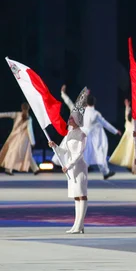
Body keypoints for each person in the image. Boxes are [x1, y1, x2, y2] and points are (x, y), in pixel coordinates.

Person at [48, 91, 88, 234]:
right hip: (71, 168)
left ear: (77, 120)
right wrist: (55, 146)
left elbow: (78, 154)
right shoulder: (70, 133)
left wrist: (68, 166)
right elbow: (64, 150)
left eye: (71, 118)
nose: (69, 119)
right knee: (76, 196)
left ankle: (80, 224)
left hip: (79, 167)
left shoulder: (81, 134)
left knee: (81, 194)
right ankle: (78, 224)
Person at [83, 95, 121, 179]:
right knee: (101, 154)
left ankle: (102, 171)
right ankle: (105, 172)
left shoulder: (84, 112)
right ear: (94, 103)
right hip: (96, 138)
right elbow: (105, 123)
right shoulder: (95, 114)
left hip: (86, 137)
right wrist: (115, 131)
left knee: (87, 154)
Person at [0, 103, 39, 175]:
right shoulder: (29, 118)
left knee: (13, 153)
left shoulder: (17, 114)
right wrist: (33, 142)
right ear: (28, 108)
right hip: (24, 139)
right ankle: (35, 169)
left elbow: (7, 114)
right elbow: (30, 131)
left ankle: (9, 169)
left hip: (15, 137)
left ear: (22, 108)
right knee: (27, 153)